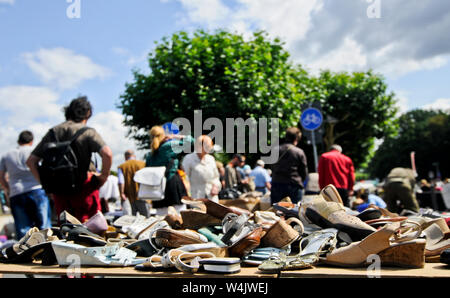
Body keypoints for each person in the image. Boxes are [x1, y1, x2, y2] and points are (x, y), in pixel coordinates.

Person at [27, 96, 113, 224]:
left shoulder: (54, 132)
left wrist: (47, 185)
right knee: (92, 229)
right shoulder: (88, 132)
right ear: (88, 113)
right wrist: (103, 177)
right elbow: (107, 154)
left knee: (66, 232)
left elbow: (31, 161)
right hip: (85, 187)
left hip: (60, 190)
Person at [0, 131, 52, 239]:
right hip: (37, 190)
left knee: (23, 231)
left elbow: (1, 176)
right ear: (31, 141)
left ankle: (26, 254)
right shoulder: (33, 151)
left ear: (19, 141)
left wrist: (8, 189)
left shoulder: (6, 155)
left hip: (16, 193)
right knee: (44, 228)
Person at [146, 126, 193, 215]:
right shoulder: (168, 146)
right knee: (181, 214)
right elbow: (190, 141)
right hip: (172, 183)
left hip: (158, 187)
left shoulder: (150, 155)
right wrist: (174, 137)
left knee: (161, 217)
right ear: (163, 135)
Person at [270, 127, 308, 204]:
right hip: (294, 184)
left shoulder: (275, 150)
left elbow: (272, 166)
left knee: (276, 211)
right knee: (294, 211)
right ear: (296, 139)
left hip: (277, 184)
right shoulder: (299, 152)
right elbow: (304, 171)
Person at [182, 135, 222, 202]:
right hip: (196, 196)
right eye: (207, 147)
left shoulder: (211, 159)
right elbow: (185, 178)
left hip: (211, 197)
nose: (209, 149)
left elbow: (216, 177)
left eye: (210, 147)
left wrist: (216, 186)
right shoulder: (188, 159)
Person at [118, 149, 146, 216]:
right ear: (134, 156)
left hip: (130, 197)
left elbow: (121, 181)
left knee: (132, 220)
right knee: (146, 219)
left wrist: (121, 193)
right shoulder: (143, 164)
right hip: (143, 195)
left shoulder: (122, 166)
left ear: (125, 157)